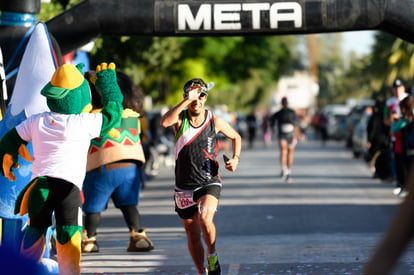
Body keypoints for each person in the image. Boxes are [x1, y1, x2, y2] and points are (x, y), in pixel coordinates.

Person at [0, 62, 124, 275]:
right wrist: (109, 85)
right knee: (69, 239)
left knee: (34, 233)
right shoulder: (85, 122)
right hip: (68, 189)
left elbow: (11, 137)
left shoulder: (37, 121)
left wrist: (8, 156)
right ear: (79, 95)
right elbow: (114, 114)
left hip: (40, 187)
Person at [160, 78, 242, 275]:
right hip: (183, 186)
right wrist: (188, 100)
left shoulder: (215, 120)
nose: (197, 100)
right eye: (193, 95)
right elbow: (165, 121)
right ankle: (200, 271)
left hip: (208, 182)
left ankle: (212, 256)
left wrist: (235, 158)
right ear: (186, 97)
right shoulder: (180, 119)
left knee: (206, 218)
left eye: (201, 95)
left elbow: (236, 137)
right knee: (192, 233)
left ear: (206, 98)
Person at [81, 71, 154, 253]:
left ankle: (89, 239)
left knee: (93, 208)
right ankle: (138, 236)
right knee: (129, 205)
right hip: (129, 168)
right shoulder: (131, 116)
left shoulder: (93, 116)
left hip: (101, 167)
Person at [384, 78, 408, 196]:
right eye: (395, 88)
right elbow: (386, 120)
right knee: (398, 160)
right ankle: (400, 184)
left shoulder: (410, 100)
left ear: (403, 88)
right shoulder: (389, 103)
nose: (397, 90)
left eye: (399, 88)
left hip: (408, 136)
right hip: (396, 136)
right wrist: (392, 120)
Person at [270, 97, 301, 183]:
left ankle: (288, 171)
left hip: (291, 135)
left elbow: (297, 123)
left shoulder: (292, 112)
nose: (285, 104)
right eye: (283, 102)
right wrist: (273, 128)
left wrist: (292, 122)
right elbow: (272, 120)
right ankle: (284, 169)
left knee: (290, 152)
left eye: (286, 102)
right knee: (284, 151)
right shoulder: (279, 113)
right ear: (282, 103)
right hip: (282, 135)